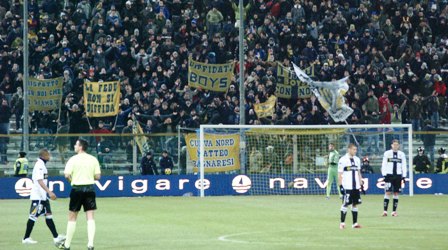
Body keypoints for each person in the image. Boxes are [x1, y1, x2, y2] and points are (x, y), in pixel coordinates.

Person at [59, 139, 101, 250]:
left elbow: (67, 175)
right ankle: (90, 244)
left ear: (80, 147)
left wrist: (72, 181)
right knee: (90, 216)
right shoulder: (93, 159)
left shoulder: (73, 159)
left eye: (76, 144)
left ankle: (67, 245)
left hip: (77, 188)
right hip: (89, 189)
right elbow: (97, 176)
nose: (74, 146)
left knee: (72, 217)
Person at [22, 149, 65, 245]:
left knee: (49, 216)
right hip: (38, 196)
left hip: (43, 196)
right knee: (33, 216)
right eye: (48, 155)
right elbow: (40, 181)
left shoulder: (42, 164)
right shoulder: (39, 165)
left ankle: (56, 237)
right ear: (44, 155)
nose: (49, 157)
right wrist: (49, 192)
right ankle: (26, 238)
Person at [338, 143, 363, 229]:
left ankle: (355, 223)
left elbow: (358, 172)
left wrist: (360, 183)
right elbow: (340, 174)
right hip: (347, 186)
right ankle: (342, 223)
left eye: (356, 149)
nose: (355, 151)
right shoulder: (343, 160)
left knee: (355, 204)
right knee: (345, 204)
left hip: (355, 186)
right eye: (353, 149)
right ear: (349, 149)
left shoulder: (357, 160)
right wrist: (341, 186)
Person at [381, 139, 407, 217]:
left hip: (398, 175)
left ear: (398, 145)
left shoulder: (401, 154)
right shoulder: (387, 153)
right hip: (389, 175)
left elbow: (404, 165)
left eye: (397, 144)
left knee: (396, 193)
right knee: (388, 192)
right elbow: (384, 164)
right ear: (391, 145)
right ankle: (385, 211)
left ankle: (394, 212)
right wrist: (384, 174)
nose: (395, 146)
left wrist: (404, 175)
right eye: (394, 144)